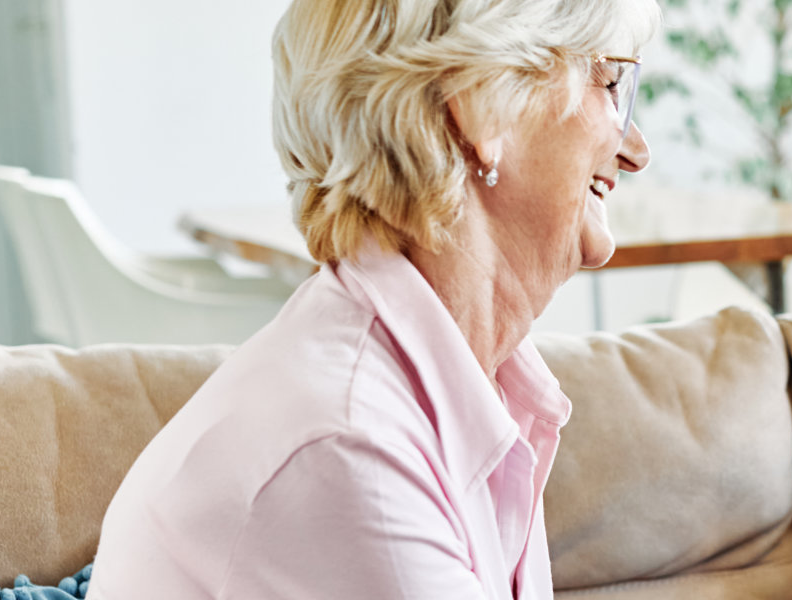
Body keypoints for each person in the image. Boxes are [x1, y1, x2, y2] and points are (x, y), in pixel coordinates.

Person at [90, 0, 656, 597]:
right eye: (612, 82)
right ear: (483, 105)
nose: (636, 149)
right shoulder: (350, 448)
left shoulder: (480, 383)